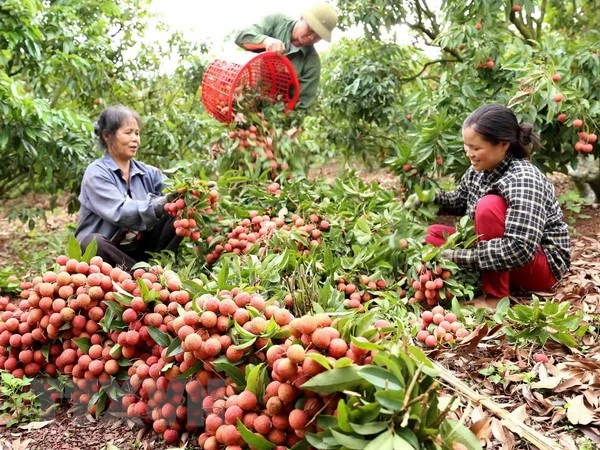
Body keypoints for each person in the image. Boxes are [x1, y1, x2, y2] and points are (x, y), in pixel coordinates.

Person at [407, 103, 571, 308]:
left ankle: (495, 297)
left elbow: (520, 249)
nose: (469, 153)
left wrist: (459, 257)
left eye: (476, 148)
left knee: (488, 206)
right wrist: (429, 198)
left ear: (503, 145)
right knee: (432, 235)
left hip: (540, 266)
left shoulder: (523, 179)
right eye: (466, 146)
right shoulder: (478, 170)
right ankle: (479, 282)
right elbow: (459, 201)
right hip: (504, 256)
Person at [75, 105, 181, 271]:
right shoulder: (96, 173)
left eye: (137, 133)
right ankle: (144, 276)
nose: (135, 139)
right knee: (92, 243)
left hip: (139, 248)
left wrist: (192, 192)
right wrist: (160, 203)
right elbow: (120, 212)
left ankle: (158, 266)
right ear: (107, 135)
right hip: (110, 252)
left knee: (177, 214)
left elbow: (173, 192)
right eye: (128, 132)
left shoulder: (148, 172)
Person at [234, 1, 338, 111]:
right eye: (311, 29)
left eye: (318, 36)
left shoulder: (311, 62)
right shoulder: (276, 21)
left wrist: (286, 122)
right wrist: (266, 41)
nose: (311, 37)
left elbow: (302, 106)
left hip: (274, 113)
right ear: (302, 17)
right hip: (244, 96)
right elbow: (241, 37)